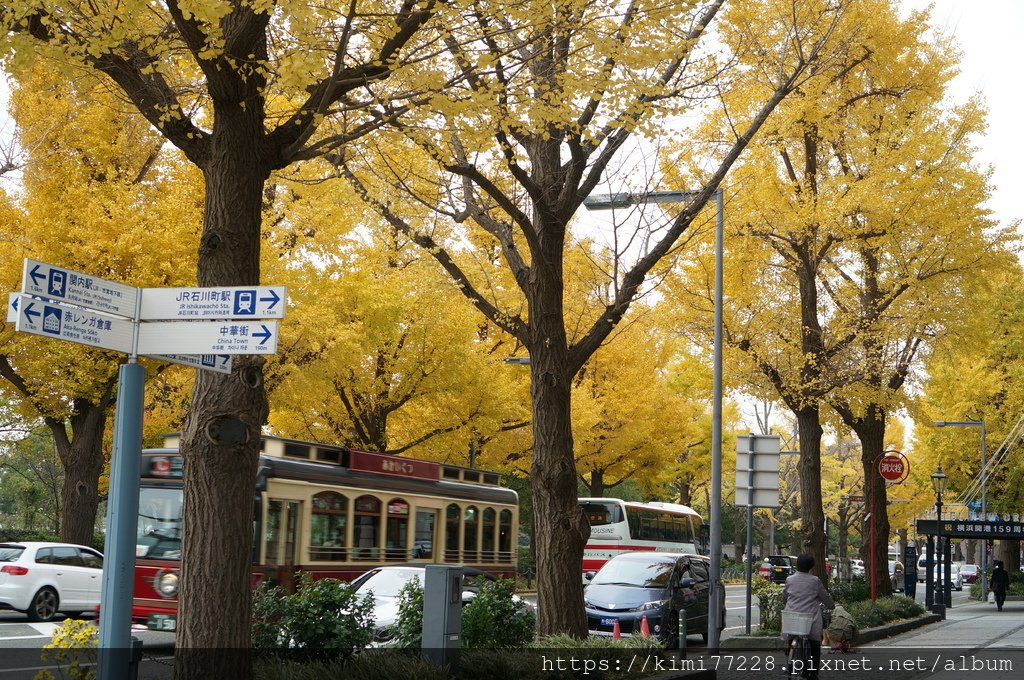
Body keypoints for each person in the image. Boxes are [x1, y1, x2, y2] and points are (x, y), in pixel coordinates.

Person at [782, 554, 835, 680]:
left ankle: (790, 660)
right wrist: (832, 605)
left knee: (792, 635)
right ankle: (813, 673)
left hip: (792, 617)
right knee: (814, 644)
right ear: (812, 566)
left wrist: (786, 603)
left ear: (797, 565)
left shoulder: (789, 580)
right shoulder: (815, 580)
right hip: (809, 618)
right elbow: (824, 597)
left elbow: (785, 597)